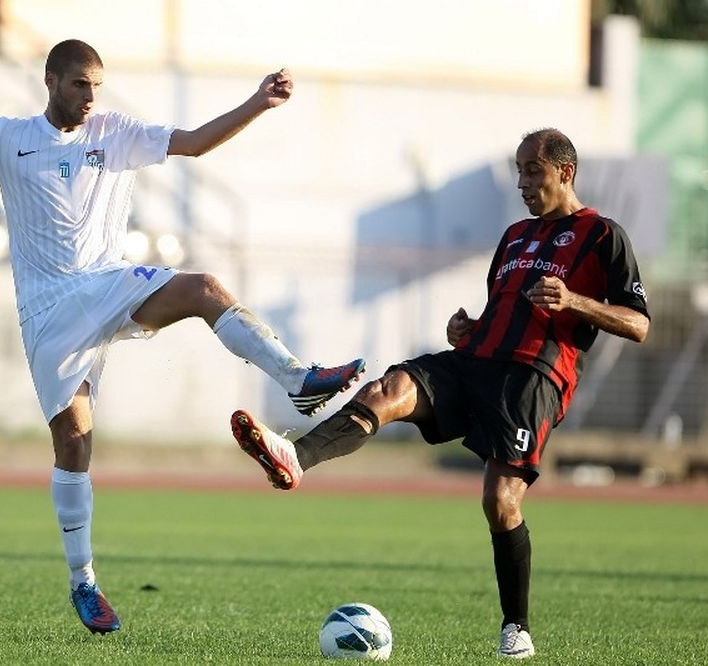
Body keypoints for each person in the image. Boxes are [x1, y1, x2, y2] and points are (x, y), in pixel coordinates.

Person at [0, 39, 365, 635]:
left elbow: (196, 143)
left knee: (203, 286)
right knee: (74, 442)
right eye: (79, 84)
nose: (90, 96)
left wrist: (257, 102)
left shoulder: (116, 131)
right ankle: (84, 583)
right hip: (47, 312)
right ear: (50, 81)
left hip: (109, 285)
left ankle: (298, 378)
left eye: (96, 84)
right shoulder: (6, 135)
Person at [229, 128, 650, 659]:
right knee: (391, 388)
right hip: (473, 362)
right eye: (519, 170)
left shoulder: (602, 235)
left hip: (532, 379)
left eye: (533, 171)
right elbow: (506, 313)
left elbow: (638, 324)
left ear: (565, 172)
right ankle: (296, 456)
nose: (522, 182)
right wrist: (468, 330)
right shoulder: (516, 235)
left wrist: (576, 302)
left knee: (500, 503)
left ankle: (515, 626)